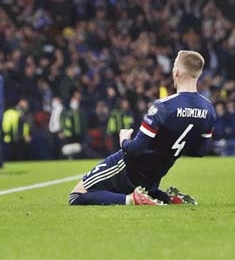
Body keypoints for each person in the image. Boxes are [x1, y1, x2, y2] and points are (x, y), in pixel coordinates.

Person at [68, 50, 215, 206]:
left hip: (129, 167)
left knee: (76, 196)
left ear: (177, 72)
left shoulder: (164, 106)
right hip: (155, 174)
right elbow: (200, 151)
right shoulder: (208, 109)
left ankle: (134, 199)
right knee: (145, 186)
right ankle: (164, 197)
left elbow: (135, 149)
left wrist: (124, 139)